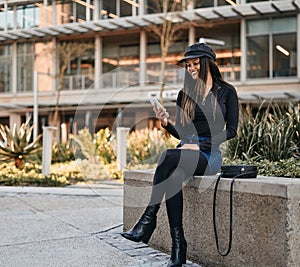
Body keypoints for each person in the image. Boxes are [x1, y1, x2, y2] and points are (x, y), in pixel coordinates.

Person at [121, 42, 239, 266]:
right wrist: (166, 123)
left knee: (167, 156)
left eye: (195, 63)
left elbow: (231, 130)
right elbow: (183, 134)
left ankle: (148, 220)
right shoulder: (184, 94)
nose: (191, 68)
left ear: (207, 64)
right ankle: (178, 247)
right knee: (173, 179)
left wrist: (201, 146)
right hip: (186, 150)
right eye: (188, 65)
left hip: (209, 154)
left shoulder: (226, 91)